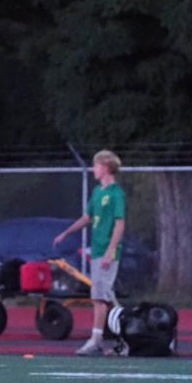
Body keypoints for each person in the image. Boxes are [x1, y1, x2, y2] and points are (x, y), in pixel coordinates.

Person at [53, 149, 126, 356]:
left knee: (99, 298)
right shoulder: (97, 192)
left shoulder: (116, 194)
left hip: (106, 253)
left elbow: (120, 225)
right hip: (97, 251)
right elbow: (87, 218)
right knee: (105, 296)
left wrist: (110, 252)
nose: (93, 169)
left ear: (105, 166)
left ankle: (96, 339)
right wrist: (66, 233)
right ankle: (123, 338)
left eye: (96, 165)